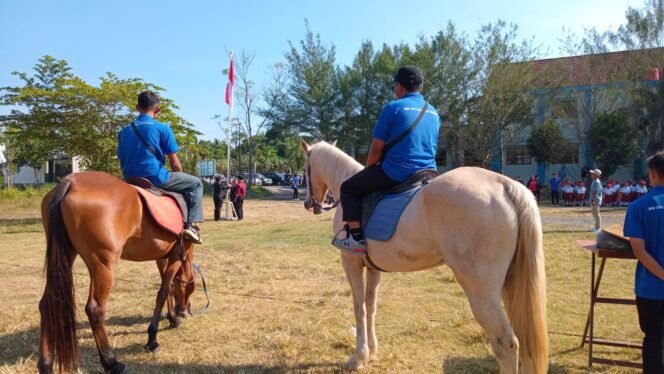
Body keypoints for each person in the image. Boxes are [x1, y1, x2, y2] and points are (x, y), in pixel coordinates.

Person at [334, 65, 440, 254]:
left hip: (397, 172)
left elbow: (376, 148)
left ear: (399, 87)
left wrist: (370, 167)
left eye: (394, 88)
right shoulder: (433, 111)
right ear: (419, 87)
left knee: (348, 188)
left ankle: (356, 238)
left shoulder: (393, 108)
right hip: (429, 172)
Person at [118, 91, 203, 244]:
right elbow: (175, 163)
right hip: (155, 177)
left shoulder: (124, 131)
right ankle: (191, 226)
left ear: (137, 107)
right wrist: (179, 176)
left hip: (129, 178)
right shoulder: (162, 128)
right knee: (196, 183)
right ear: (157, 109)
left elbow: (122, 158)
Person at [623, 151, 664, 373]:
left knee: (653, 340)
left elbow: (639, 251)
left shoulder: (639, 206)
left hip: (650, 289)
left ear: (653, 174)